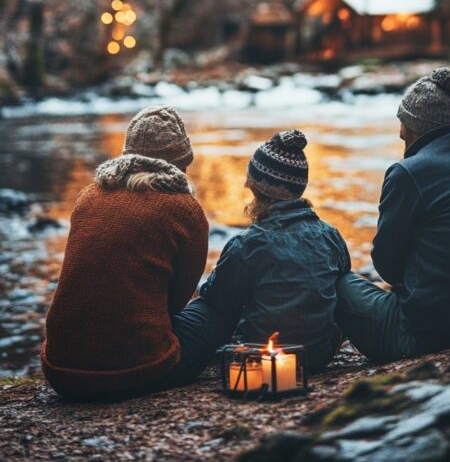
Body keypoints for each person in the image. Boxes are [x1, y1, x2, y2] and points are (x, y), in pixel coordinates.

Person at [336, 67, 450, 363]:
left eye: (402, 128)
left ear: (413, 127)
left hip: (425, 335)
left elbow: (387, 267)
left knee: (339, 284)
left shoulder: (408, 172)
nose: (400, 136)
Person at [41, 105, 212, 399]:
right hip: (137, 372)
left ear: (126, 155)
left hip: (59, 370)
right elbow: (177, 302)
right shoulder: (184, 209)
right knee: (215, 309)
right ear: (181, 162)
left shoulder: (88, 196)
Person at [197, 129, 351, 372]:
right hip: (319, 355)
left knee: (208, 306)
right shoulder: (330, 234)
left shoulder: (247, 244)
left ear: (256, 188)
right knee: (345, 284)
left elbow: (218, 300)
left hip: (261, 356)